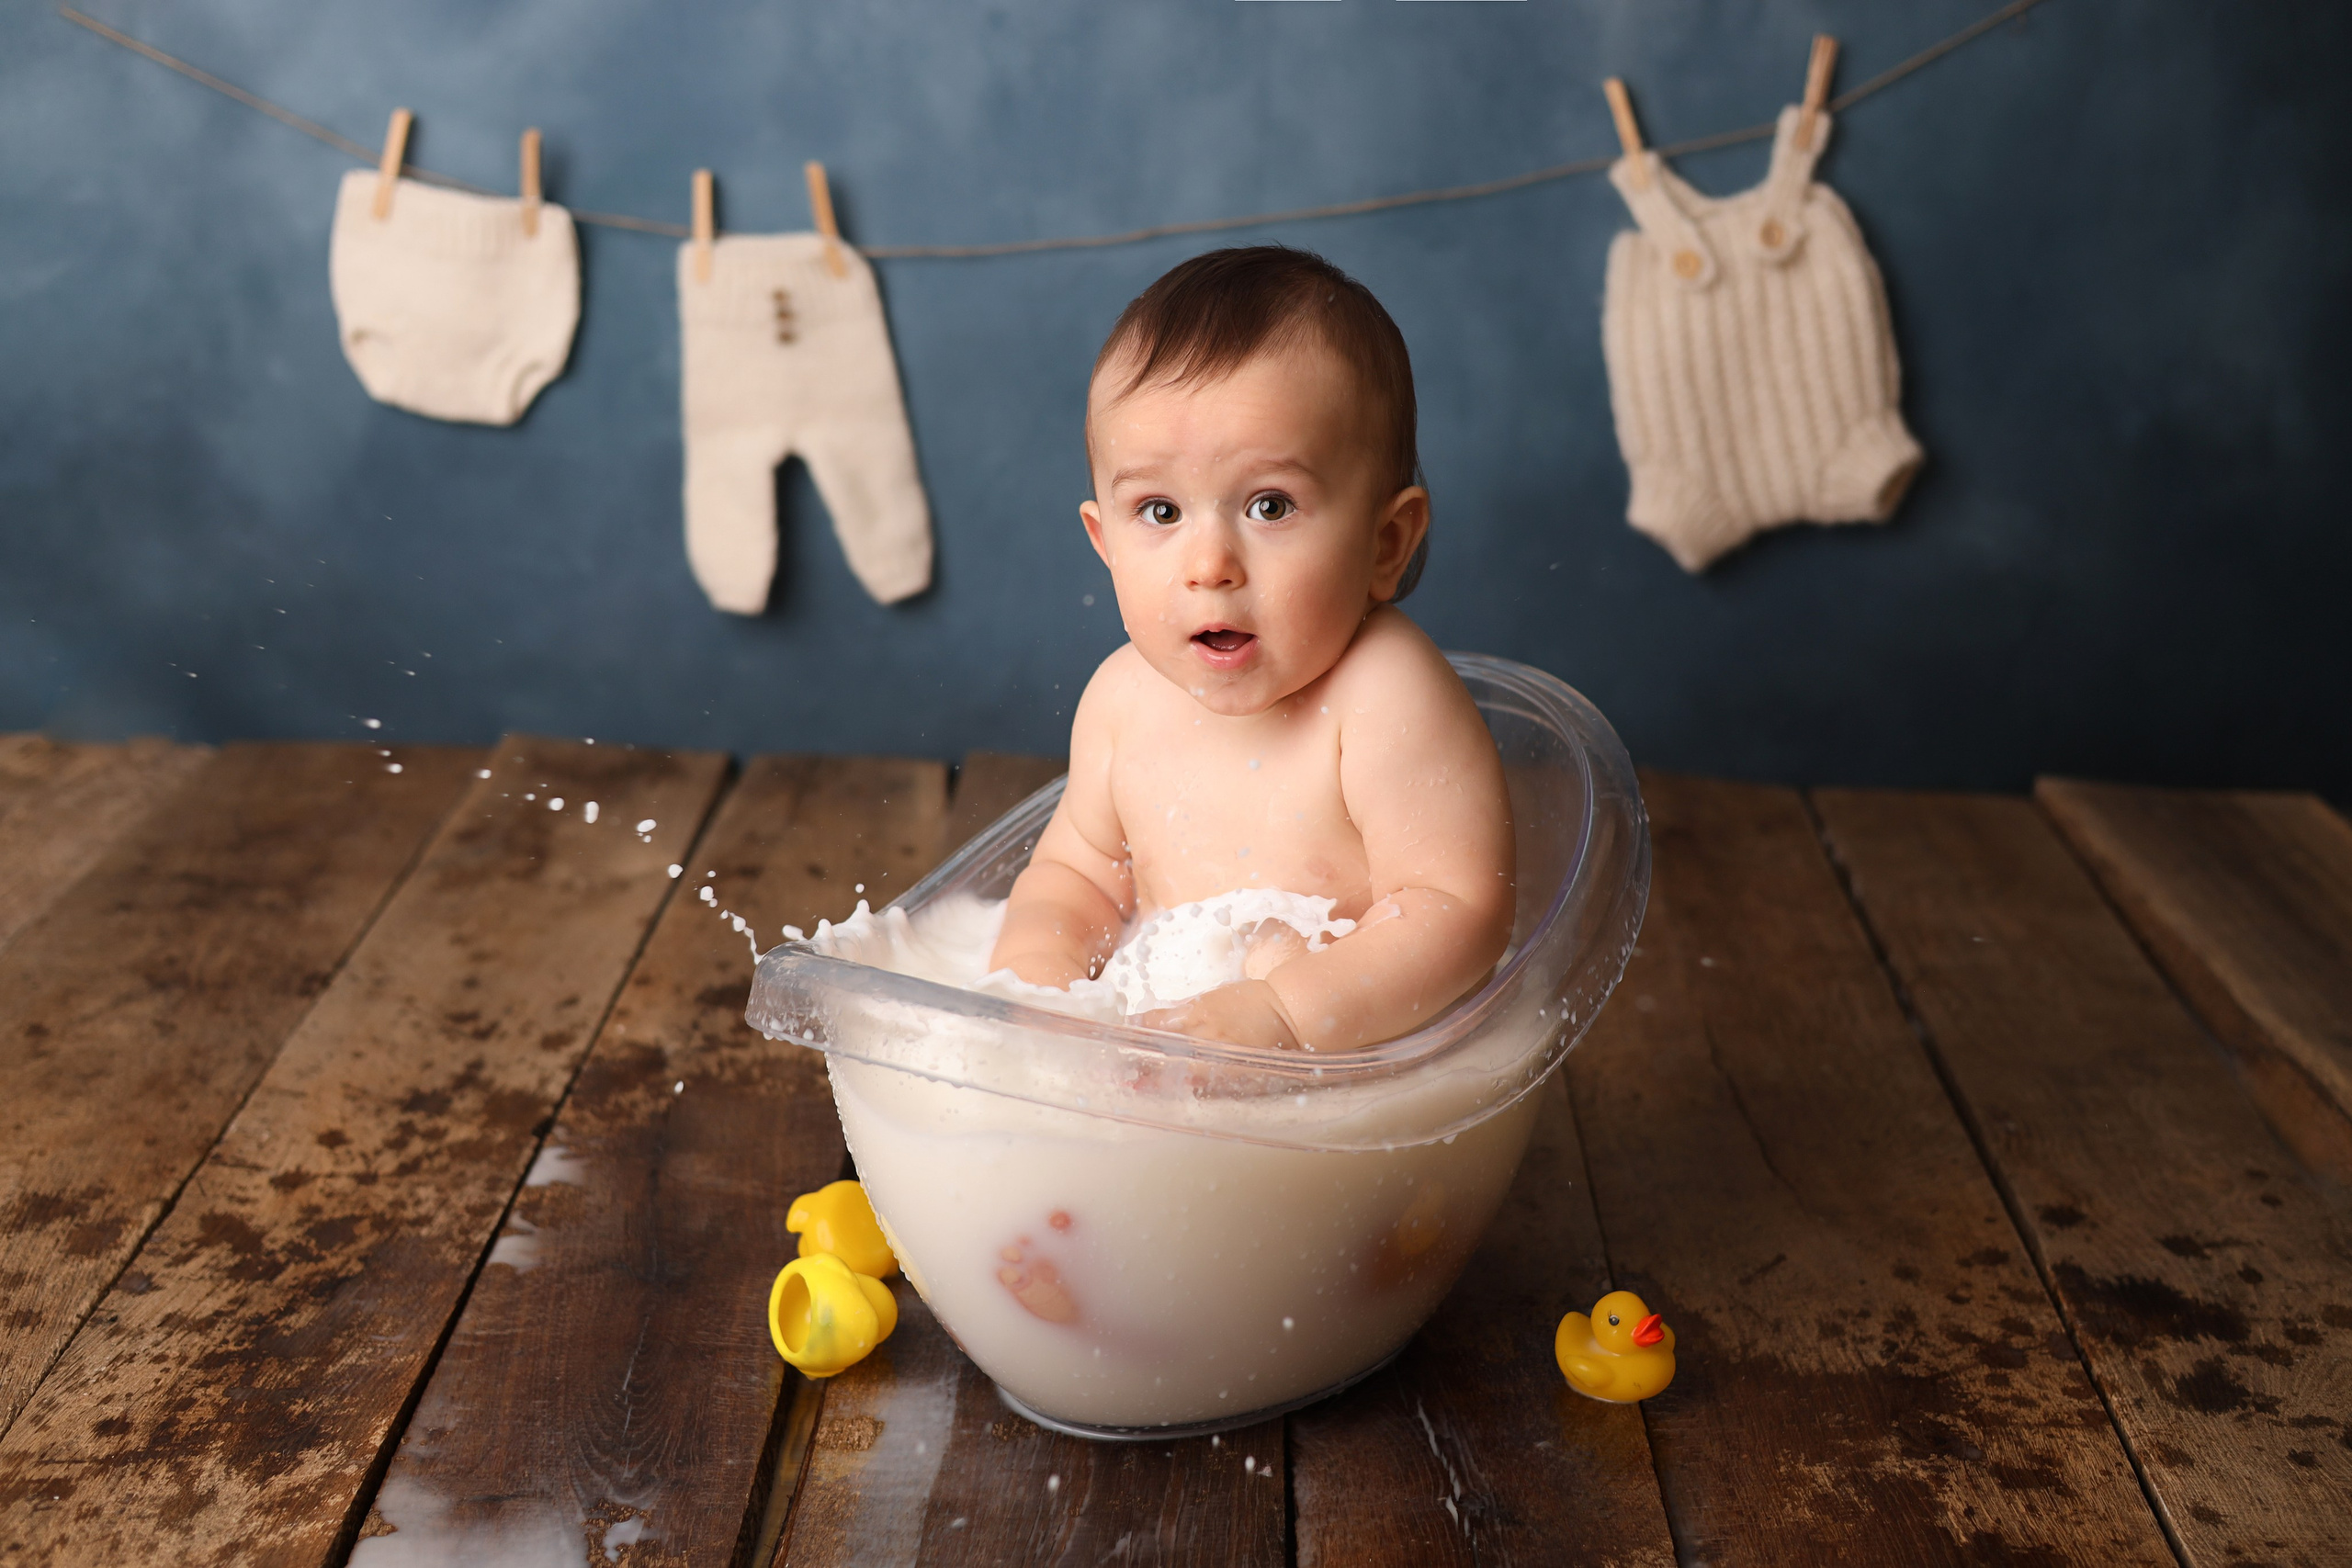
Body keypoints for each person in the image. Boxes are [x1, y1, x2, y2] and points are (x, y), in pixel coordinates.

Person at [987, 246, 1515, 1052]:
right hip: (1155, 1059)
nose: (1209, 566)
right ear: (1105, 543)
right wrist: (1039, 987)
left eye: (1270, 505)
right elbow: (1076, 880)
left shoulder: (1386, 696)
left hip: (1342, 1080)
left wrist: (1286, 1013)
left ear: (1385, 542)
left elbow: (1459, 908)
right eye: (1159, 512)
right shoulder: (1122, 702)